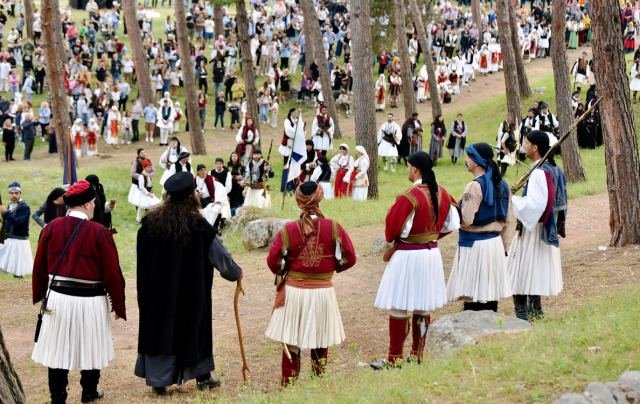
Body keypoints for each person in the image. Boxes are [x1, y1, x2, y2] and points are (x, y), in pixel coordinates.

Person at [135, 172, 242, 395]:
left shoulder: (148, 226)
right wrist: (235, 273)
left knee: (159, 329)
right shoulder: (199, 226)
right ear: (191, 196)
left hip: (155, 296)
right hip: (191, 296)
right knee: (193, 329)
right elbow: (221, 257)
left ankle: (159, 380)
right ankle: (203, 375)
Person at [31, 180, 126, 404]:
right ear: (85, 204)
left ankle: (58, 397)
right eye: (93, 202)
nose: (94, 206)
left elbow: (39, 267)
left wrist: (40, 295)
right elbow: (113, 273)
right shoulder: (100, 232)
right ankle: (89, 391)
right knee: (91, 345)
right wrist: (119, 305)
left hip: (58, 298)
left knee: (57, 349)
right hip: (91, 299)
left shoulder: (51, 227)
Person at [371, 151, 459, 369]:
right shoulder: (443, 193)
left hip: (408, 255)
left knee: (399, 305)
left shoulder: (409, 196)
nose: (406, 170)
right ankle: (417, 355)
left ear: (414, 169)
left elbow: (392, 230)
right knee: (422, 305)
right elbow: (454, 222)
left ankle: (394, 359)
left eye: (407, 166)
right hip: (431, 255)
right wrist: (432, 236)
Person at [265, 181, 356, 387]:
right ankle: (318, 384)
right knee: (321, 336)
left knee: (291, 339)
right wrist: (332, 269)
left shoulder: (289, 229)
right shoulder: (333, 226)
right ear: (320, 198)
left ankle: (288, 386)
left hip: (294, 291)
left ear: (298, 201)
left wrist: (283, 272)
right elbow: (350, 257)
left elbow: (272, 260)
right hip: (323, 291)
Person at [508, 130, 567, 322]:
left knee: (519, 271)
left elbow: (536, 204)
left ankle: (523, 315)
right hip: (542, 226)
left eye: (526, 143)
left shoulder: (539, 173)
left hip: (533, 228)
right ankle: (535, 311)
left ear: (535, 148)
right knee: (532, 270)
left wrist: (514, 200)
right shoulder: (554, 169)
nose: (523, 146)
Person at [447, 143, 512, 311]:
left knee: (473, 294)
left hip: (475, 246)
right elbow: (507, 221)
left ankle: (474, 331)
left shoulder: (474, 186)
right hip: (495, 244)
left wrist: (454, 212)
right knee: (489, 293)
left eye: (469, 156)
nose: (466, 160)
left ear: (476, 161)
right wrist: (505, 248)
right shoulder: (503, 184)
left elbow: (467, 219)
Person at [0, 182, 33, 278]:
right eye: (11, 193)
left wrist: (5, 212)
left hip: (19, 240)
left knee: (18, 268)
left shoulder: (24, 207)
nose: (14, 195)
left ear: (20, 193)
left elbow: (17, 222)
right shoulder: (9, 205)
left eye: (16, 193)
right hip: (8, 238)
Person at [195, 163, 230, 228]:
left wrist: (217, 200)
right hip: (197, 201)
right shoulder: (195, 180)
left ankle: (214, 226)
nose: (203, 171)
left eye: (204, 170)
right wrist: (196, 195)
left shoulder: (211, 179)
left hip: (209, 200)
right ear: (197, 172)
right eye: (201, 170)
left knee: (214, 209)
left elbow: (220, 188)